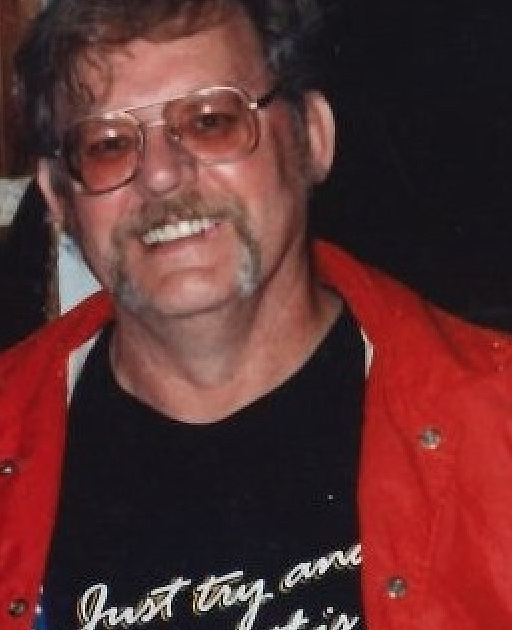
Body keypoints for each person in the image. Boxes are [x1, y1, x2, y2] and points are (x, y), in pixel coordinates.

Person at [2, 0, 512, 629]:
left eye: (211, 121)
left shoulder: (496, 433)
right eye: (108, 144)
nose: (160, 176)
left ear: (313, 138)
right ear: (58, 197)